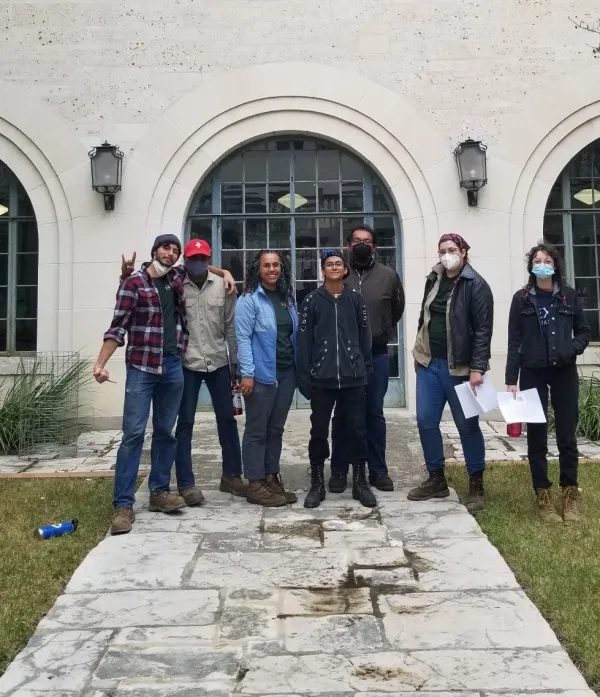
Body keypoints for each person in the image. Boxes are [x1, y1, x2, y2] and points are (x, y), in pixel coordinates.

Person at [120, 238, 245, 505]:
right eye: (192, 259)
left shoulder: (224, 287)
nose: (198, 263)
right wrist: (124, 275)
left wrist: (236, 363)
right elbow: (144, 281)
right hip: (186, 364)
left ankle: (232, 475)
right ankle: (186, 483)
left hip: (218, 362)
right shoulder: (176, 283)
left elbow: (232, 327)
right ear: (184, 261)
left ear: (208, 259)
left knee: (227, 420)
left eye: (203, 259)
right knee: (184, 424)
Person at [95, 235, 190, 535]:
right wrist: (100, 364)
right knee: (133, 433)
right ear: (154, 251)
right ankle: (123, 505)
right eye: (166, 248)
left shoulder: (175, 277)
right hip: (142, 368)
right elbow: (117, 326)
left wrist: (224, 272)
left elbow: (201, 268)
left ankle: (159, 492)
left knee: (165, 431)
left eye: (175, 250)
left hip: (173, 366)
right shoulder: (134, 284)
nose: (171, 253)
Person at [409, 233, 493, 513]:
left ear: (464, 252)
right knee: (425, 421)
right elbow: (425, 316)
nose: (447, 255)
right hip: (429, 364)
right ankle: (436, 478)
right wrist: (418, 352)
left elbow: (483, 331)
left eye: (452, 249)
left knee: (467, 425)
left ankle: (476, 483)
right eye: (443, 250)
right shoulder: (433, 279)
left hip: (461, 368)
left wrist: (477, 368)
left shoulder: (476, 285)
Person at [505, 243, 590, 523]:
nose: (542, 264)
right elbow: (514, 340)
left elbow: (584, 332)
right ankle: (543, 495)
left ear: (555, 266)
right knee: (537, 436)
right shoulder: (521, 299)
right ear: (531, 266)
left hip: (564, 372)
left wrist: (571, 348)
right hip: (532, 373)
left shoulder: (569, 296)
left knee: (567, 435)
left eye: (547, 260)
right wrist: (510, 379)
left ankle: (570, 495)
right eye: (537, 260)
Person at [297, 249, 376, 509]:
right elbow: (304, 341)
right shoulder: (311, 301)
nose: (333, 267)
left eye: (338, 264)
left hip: (353, 378)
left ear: (345, 270)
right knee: (318, 431)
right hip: (322, 378)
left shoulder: (356, 299)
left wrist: (364, 367)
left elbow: (365, 336)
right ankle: (317, 482)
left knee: (357, 430)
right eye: (328, 264)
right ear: (322, 271)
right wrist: (305, 377)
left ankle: (360, 482)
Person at [330, 225, 404, 493]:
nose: (362, 245)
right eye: (357, 241)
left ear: (374, 246)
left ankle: (377, 470)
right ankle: (339, 470)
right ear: (349, 244)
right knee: (342, 415)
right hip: (343, 357)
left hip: (376, 354)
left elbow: (396, 309)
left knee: (374, 413)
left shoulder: (389, 276)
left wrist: (379, 331)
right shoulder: (338, 273)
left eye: (368, 241)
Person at [235, 250, 299, 507]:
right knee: (257, 430)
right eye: (266, 265)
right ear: (258, 269)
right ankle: (254, 483)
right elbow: (243, 339)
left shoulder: (287, 298)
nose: (272, 269)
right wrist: (247, 373)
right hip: (261, 376)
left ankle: (271, 477)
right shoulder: (249, 300)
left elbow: (293, 335)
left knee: (276, 429)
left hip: (286, 374)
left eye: (276, 265)